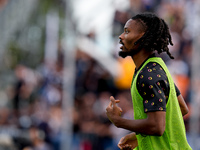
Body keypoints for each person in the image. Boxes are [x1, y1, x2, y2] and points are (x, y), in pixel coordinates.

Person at [106, 12, 192, 150]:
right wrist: (137, 136)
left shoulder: (148, 75)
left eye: (127, 32)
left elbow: (156, 126)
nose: (121, 37)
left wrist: (118, 121)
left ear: (141, 37)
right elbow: (182, 108)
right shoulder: (157, 66)